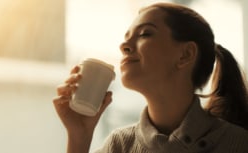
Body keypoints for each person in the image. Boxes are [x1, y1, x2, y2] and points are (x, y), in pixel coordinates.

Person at [53, 2, 248, 153]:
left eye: (145, 33)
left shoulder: (239, 144)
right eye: (127, 36)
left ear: (185, 55)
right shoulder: (119, 145)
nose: (124, 45)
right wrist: (79, 136)